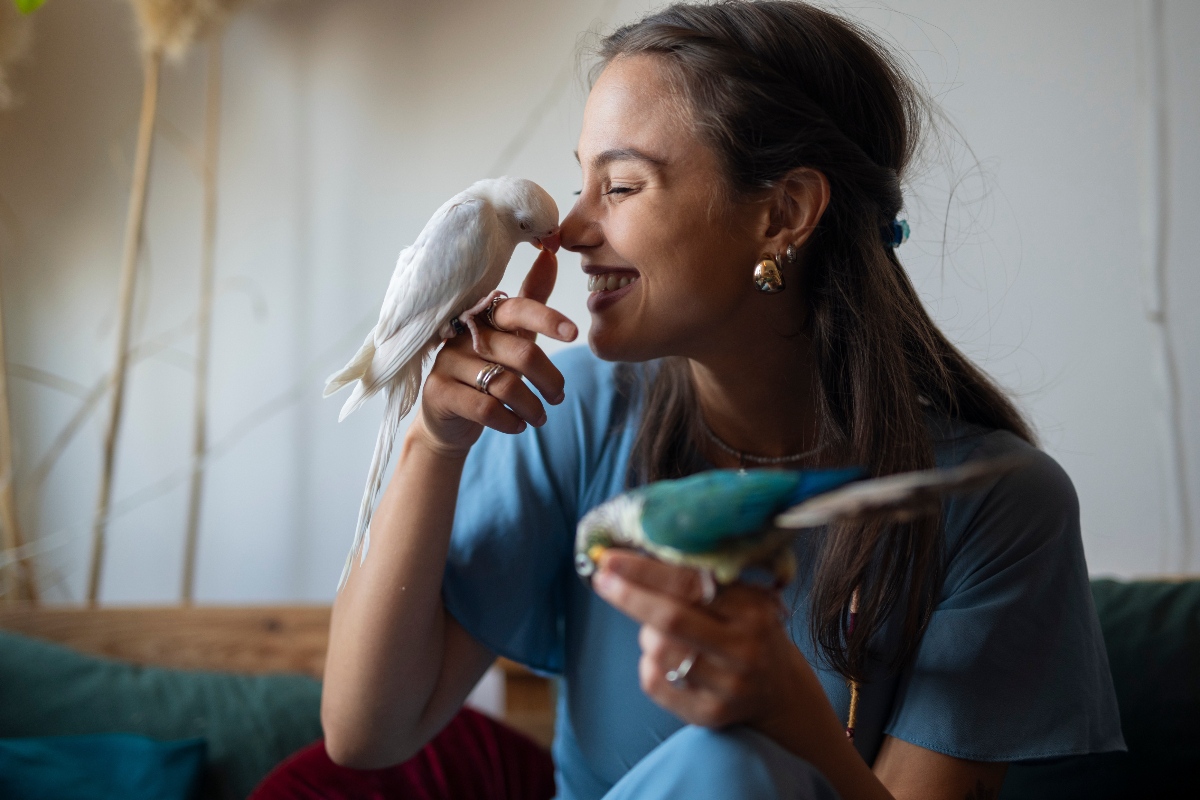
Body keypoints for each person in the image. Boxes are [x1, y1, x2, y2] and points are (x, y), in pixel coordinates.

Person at [318, 3, 1124, 799]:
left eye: (622, 185)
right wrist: (434, 438)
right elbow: (366, 735)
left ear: (783, 214)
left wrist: (781, 712)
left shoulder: (999, 507)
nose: (570, 230)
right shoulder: (568, 413)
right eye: (580, 181)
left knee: (729, 767)